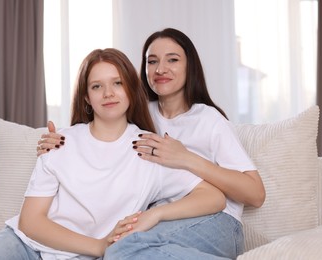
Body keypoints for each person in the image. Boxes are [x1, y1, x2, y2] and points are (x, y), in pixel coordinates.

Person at [0, 48, 226, 260]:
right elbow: (30, 222)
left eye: (117, 83)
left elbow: (213, 197)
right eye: (96, 86)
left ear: (130, 90)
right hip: (26, 245)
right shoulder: (61, 142)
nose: (108, 93)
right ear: (86, 97)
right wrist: (99, 246)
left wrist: (155, 214)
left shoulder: (148, 149)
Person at [37, 28, 266, 259]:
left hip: (216, 220)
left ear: (190, 67)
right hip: (160, 220)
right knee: (118, 246)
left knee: (123, 248)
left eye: (172, 60)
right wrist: (58, 143)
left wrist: (186, 159)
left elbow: (255, 194)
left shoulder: (208, 119)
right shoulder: (141, 112)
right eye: (152, 61)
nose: (160, 69)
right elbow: (97, 131)